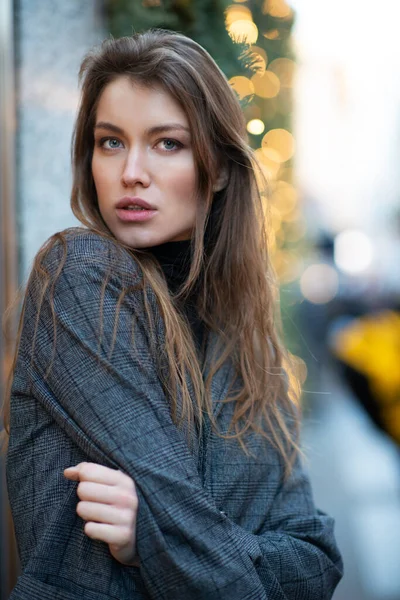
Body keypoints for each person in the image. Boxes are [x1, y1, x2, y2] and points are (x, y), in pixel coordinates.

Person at [2, 29, 343, 599]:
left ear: (219, 168)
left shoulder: (249, 348)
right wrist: (179, 535)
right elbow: (194, 523)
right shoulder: (79, 276)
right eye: (110, 142)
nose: (131, 171)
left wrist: (151, 536)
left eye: (167, 144)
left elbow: (316, 558)